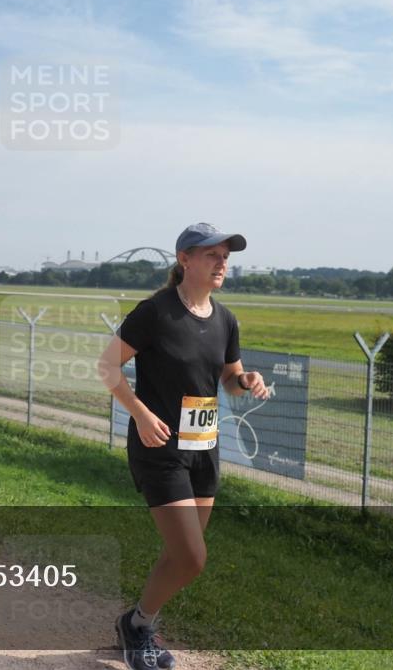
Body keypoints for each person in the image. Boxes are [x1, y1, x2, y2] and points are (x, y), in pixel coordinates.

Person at [98, 222, 269, 670]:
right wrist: (138, 412)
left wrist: (246, 380)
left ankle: (136, 623)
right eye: (211, 254)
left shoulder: (226, 319)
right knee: (192, 558)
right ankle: (139, 627)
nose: (222, 262)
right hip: (160, 448)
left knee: (182, 554)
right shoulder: (155, 313)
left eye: (226, 255)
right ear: (184, 260)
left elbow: (230, 379)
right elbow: (107, 367)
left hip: (204, 447)